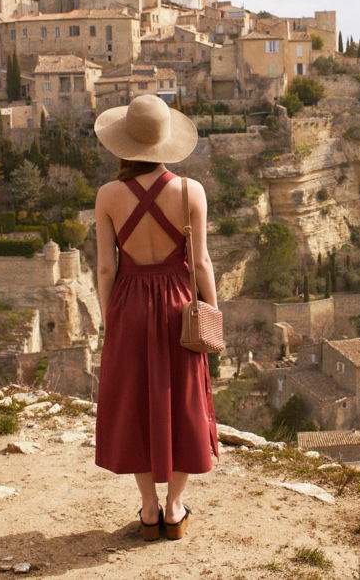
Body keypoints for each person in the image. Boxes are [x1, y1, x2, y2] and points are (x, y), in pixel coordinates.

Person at [93, 95, 219, 541]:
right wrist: (213, 311)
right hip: (178, 305)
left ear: (123, 144)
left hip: (128, 304)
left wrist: (112, 319)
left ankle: (148, 510)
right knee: (185, 399)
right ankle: (175, 506)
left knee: (135, 402)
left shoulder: (108, 196)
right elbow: (200, 261)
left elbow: (106, 267)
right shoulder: (190, 192)